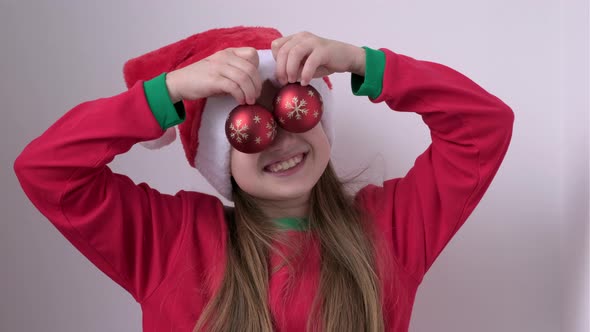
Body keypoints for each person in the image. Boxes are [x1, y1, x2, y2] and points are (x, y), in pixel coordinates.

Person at [14, 26, 514, 332]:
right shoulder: (172, 242)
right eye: (246, 128)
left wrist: (362, 62)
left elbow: (484, 127)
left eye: (298, 108)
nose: (279, 139)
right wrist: (169, 92)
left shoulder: (389, 231)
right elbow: (47, 170)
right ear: (218, 156)